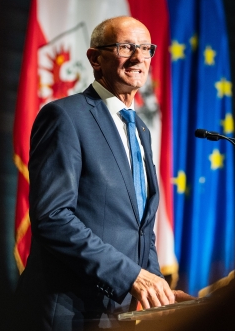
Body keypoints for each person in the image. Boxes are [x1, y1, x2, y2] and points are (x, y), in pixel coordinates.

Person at [15, 16, 182, 330]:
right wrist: (130, 276)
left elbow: (140, 228)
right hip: (66, 313)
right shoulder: (65, 116)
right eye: (125, 47)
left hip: (117, 316)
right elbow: (53, 217)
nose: (138, 58)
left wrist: (157, 287)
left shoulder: (140, 130)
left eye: (146, 48)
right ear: (95, 59)